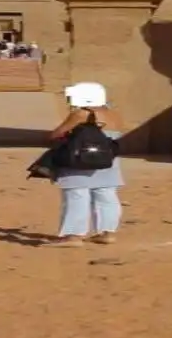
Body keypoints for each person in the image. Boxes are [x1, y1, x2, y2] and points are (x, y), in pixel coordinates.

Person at [42, 82, 124, 247]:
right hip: (107, 159)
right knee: (106, 195)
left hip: (81, 159)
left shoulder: (82, 113)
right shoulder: (114, 114)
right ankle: (107, 233)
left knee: (76, 195)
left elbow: (57, 133)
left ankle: (73, 236)